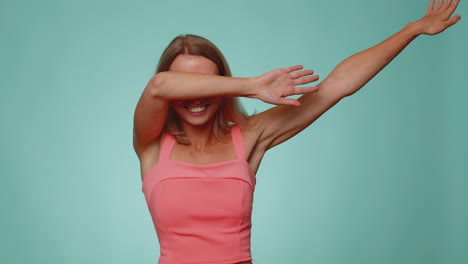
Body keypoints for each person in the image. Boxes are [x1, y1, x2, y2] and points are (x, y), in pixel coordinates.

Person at [133, 0, 461, 263]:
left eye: (206, 84)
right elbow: (158, 86)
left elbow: (338, 86)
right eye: (186, 86)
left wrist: (412, 29)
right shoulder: (151, 145)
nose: (195, 98)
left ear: (220, 83)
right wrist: (251, 87)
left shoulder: (249, 137)